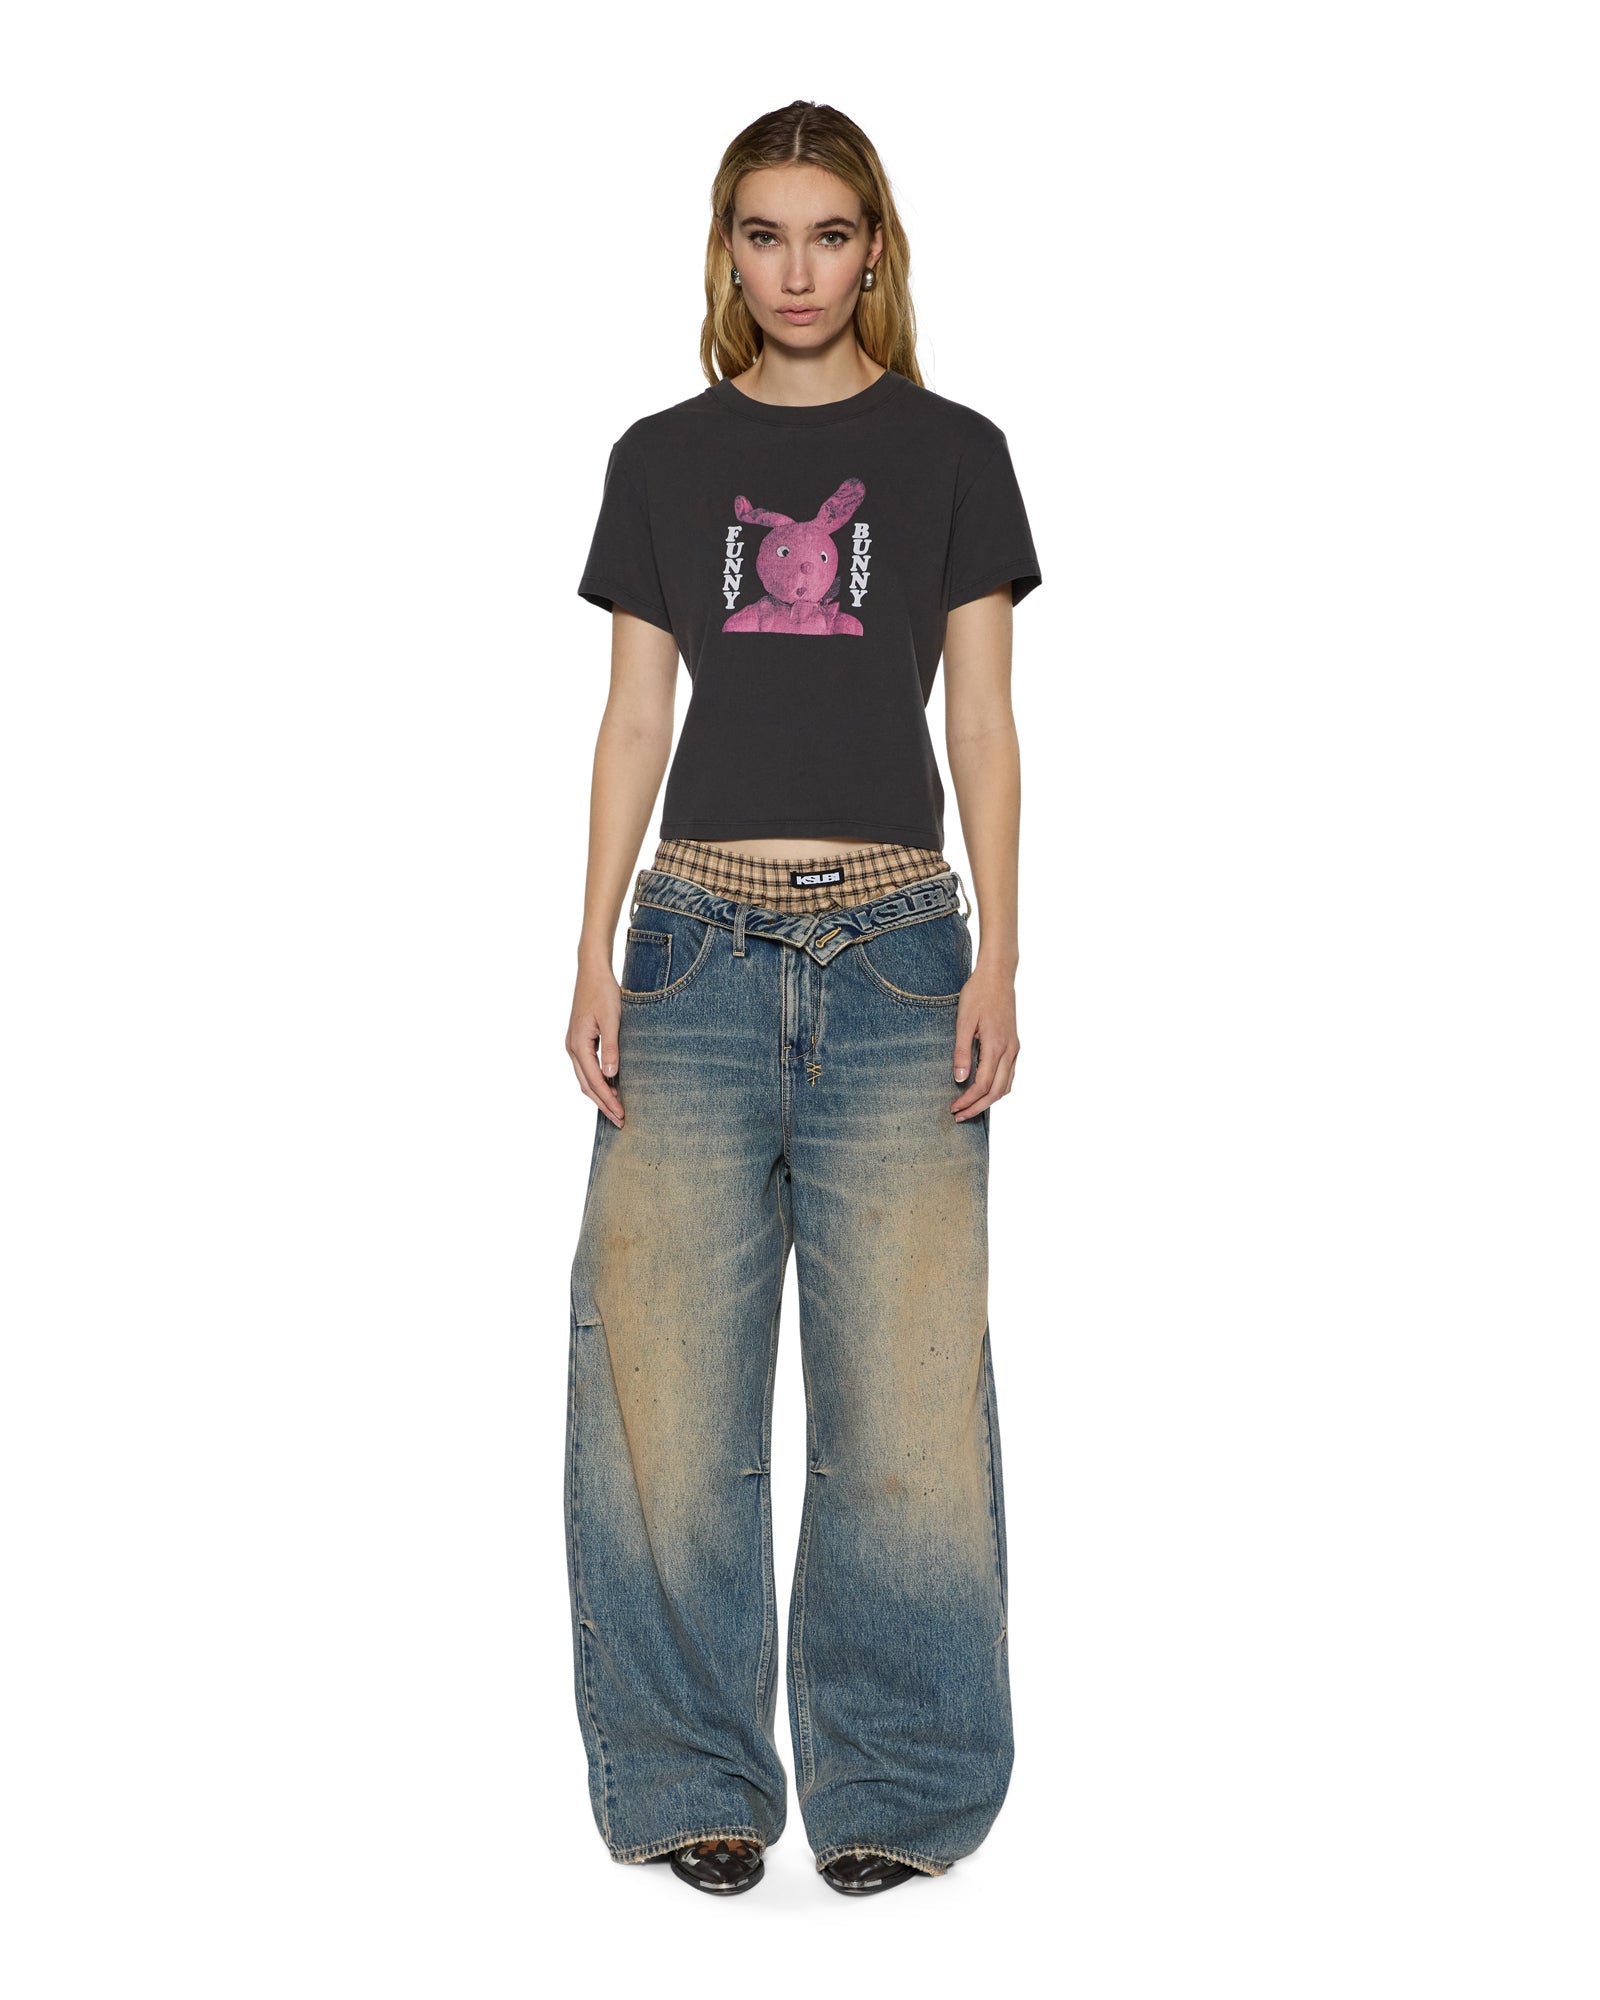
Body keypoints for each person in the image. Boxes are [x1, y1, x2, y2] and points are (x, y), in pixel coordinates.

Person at [563, 99, 1040, 1898]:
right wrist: (591, 948)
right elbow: (635, 717)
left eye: (829, 234)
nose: (796, 270)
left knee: (907, 1394)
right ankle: (693, 1775)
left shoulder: (955, 454)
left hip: (903, 948)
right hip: (691, 942)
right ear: (727, 250)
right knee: (664, 1381)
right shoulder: (661, 457)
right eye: (763, 234)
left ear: (875, 249)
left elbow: (982, 718)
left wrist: (1001, 951)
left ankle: (899, 1785)